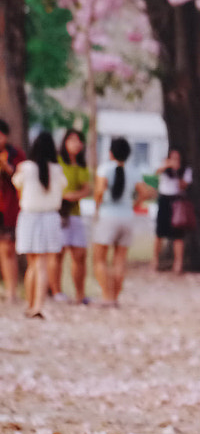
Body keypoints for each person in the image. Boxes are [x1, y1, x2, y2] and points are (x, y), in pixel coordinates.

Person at [13, 131, 64, 317]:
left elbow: (17, 186)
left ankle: (31, 304)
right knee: (41, 264)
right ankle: (38, 305)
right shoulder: (57, 169)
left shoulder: (25, 168)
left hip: (29, 217)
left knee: (33, 264)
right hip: (50, 218)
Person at [93, 136, 136, 305]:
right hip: (127, 216)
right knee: (119, 260)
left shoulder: (104, 169)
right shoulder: (133, 170)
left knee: (100, 259)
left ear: (110, 153)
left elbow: (99, 191)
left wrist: (98, 206)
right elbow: (145, 192)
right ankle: (116, 297)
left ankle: (106, 295)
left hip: (108, 215)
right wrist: (135, 203)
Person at [58, 128, 92, 304]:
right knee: (58, 254)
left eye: (78, 140)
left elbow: (87, 188)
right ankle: (56, 291)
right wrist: (64, 195)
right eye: (71, 140)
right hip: (59, 212)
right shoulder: (57, 162)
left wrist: (74, 196)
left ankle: (80, 293)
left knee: (79, 254)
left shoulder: (81, 165)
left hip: (75, 213)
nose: (75, 144)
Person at [153, 147, 192, 274]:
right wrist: (167, 166)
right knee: (159, 233)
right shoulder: (164, 168)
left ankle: (178, 263)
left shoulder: (185, 170)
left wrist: (177, 172)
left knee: (177, 235)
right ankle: (155, 261)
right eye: (172, 158)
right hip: (164, 200)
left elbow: (183, 185)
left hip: (177, 202)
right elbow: (155, 174)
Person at [0, 118, 26, 304]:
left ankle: (11, 292)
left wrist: (6, 166)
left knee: (7, 250)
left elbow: (20, 178)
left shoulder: (16, 154)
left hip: (8, 208)